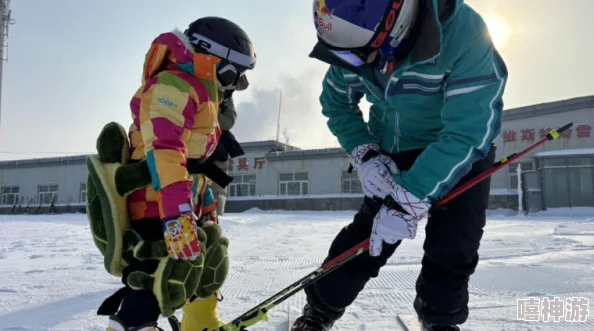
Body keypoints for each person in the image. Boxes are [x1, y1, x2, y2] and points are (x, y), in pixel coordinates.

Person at [291, 0, 507, 330]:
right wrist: (365, 153)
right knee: (368, 237)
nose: (356, 64)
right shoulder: (354, 43)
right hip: (393, 149)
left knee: (455, 241)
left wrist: (412, 196)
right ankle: (321, 308)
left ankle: (439, 318)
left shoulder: (466, 37)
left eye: (362, 56)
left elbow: (467, 131)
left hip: (459, 153)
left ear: (398, 26)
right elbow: (336, 103)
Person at [86, 16, 256, 331]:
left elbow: (195, 162)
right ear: (213, 58)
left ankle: (200, 321)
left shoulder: (201, 90)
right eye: (236, 73)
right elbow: (165, 151)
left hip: (180, 198)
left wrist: (203, 203)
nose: (237, 83)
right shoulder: (172, 85)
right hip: (156, 203)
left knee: (209, 257)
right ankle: (131, 325)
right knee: (160, 275)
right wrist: (176, 215)